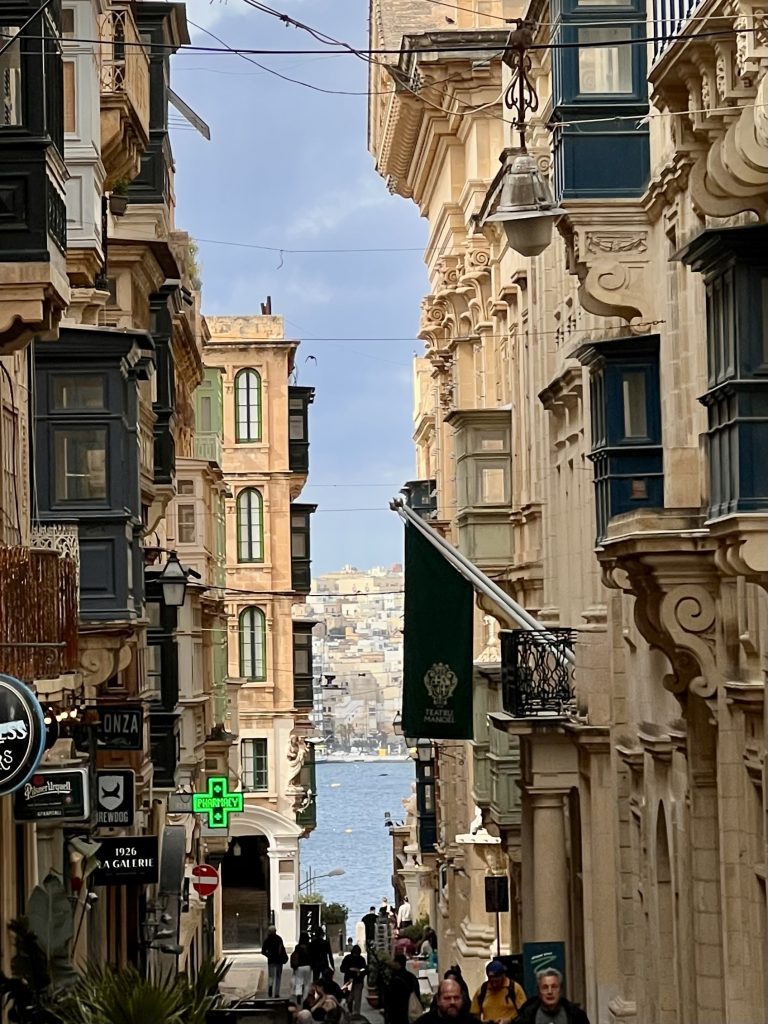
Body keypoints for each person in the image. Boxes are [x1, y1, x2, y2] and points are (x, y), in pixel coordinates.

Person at [516, 969, 590, 1024]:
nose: (550, 991)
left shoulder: (576, 1016)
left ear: (561, 990)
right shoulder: (526, 1017)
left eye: (554, 987)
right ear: (539, 991)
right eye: (545, 987)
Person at [413, 978, 481, 1024]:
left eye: (456, 998)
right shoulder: (423, 1022)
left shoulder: (472, 1022)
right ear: (438, 1000)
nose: (452, 1002)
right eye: (447, 998)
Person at [383, 952, 421, 1024]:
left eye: (394, 961)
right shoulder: (412, 977)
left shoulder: (394, 979)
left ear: (397, 963)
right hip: (410, 1012)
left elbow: (389, 999)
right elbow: (417, 994)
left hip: (397, 1015)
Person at [340, 943, 367, 1016]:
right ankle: (350, 1012)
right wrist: (351, 969)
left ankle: (355, 1013)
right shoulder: (348, 958)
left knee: (356, 999)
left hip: (357, 981)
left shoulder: (361, 959)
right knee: (349, 998)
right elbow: (342, 969)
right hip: (350, 981)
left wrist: (359, 971)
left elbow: (365, 970)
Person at [262, 924, 288, 997]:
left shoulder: (267, 940)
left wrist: (268, 955)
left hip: (271, 961)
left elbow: (263, 951)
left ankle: (270, 987)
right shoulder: (279, 939)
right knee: (278, 977)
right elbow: (282, 949)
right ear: (275, 931)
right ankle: (277, 993)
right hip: (279, 960)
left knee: (271, 976)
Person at [291, 931, 314, 1001]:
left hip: (299, 967)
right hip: (308, 966)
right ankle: (305, 997)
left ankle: (298, 994)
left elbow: (295, 956)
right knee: (307, 983)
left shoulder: (297, 947)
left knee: (299, 982)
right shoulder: (310, 946)